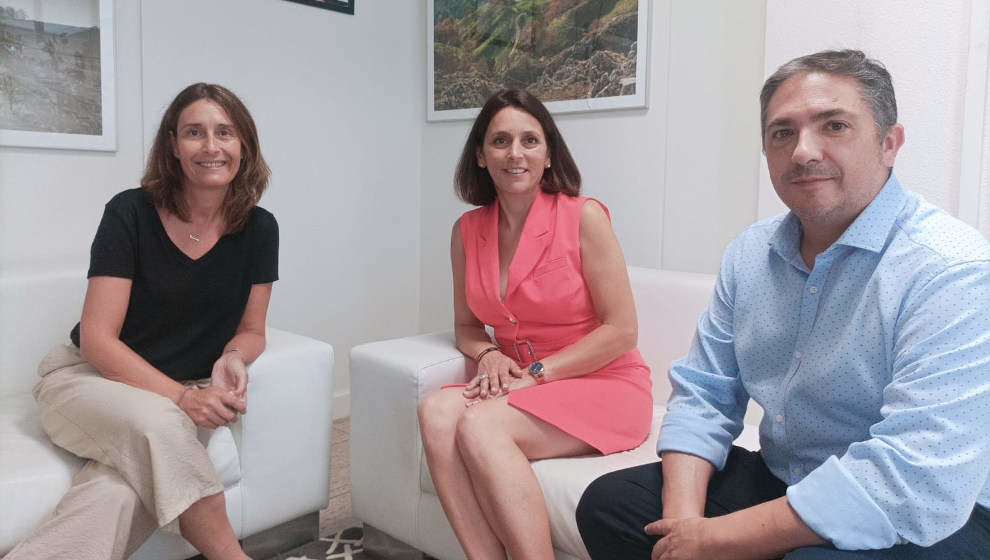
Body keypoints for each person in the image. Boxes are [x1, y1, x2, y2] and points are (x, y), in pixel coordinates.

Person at [576, 49, 990, 559]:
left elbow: (914, 473)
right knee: (612, 505)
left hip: (935, 509)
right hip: (789, 476)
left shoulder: (952, 270)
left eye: (834, 126)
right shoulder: (750, 253)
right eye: (782, 132)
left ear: (889, 143)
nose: (802, 151)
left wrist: (713, 538)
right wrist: (682, 526)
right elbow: (706, 394)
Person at [5, 83, 278, 560]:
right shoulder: (130, 212)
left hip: (181, 392)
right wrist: (182, 398)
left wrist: (233, 357)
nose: (211, 146)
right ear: (172, 145)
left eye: (225, 133)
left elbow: (253, 330)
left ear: (244, 146)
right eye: (194, 132)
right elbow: (97, 339)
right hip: (85, 380)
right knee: (163, 426)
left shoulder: (260, 229)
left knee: (118, 491)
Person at [417, 89, 653, 559]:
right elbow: (466, 326)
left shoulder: (583, 215)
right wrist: (489, 355)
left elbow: (622, 330)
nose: (515, 153)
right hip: (524, 384)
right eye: (500, 141)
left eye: (530, 140)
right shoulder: (467, 231)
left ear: (548, 155)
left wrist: (537, 375)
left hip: (603, 383)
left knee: (481, 426)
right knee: (436, 413)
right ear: (481, 156)